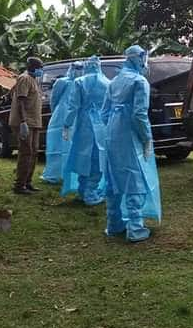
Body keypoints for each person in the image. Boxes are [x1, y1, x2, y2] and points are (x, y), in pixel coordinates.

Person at [101, 45, 161, 242]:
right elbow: (139, 113)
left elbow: (104, 113)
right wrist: (146, 138)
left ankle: (114, 223)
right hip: (129, 133)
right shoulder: (139, 81)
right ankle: (135, 228)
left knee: (114, 176)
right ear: (140, 58)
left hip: (112, 133)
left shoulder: (114, 81)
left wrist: (113, 125)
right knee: (134, 176)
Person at [62, 57, 110, 205]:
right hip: (101, 125)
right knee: (98, 158)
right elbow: (110, 106)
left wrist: (67, 125)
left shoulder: (79, 82)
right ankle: (90, 192)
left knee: (83, 156)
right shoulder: (107, 83)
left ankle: (84, 190)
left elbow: (73, 106)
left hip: (83, 124)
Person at [41, 61, 84, 184]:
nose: (78, 70)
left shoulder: (82, 83)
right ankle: (54, 174)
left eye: (81, 68)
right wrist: (56, 113)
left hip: (76, 116)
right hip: (60, 116)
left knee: (73, 146)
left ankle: (70, 174)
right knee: (57, 145)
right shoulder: (62, 82)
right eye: (76, 68)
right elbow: (54, 99)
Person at [9, 56, 44, 195]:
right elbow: (21, 101)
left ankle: (27, 182)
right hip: (25, 122)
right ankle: (19, 185)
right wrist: (23, 122)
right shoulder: (24, 78)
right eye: (39, 67)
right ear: (32, 67)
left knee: (34, 152)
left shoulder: (34, 80)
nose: (41, 70)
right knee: (26, 152)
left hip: (34, 122)